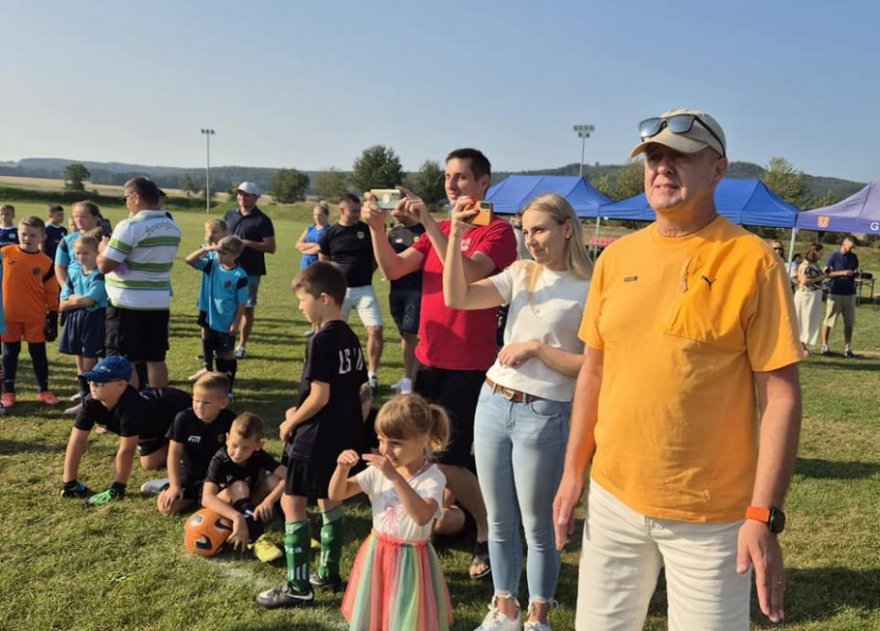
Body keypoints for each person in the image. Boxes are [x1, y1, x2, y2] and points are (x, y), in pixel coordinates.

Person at [553, 109, 803, 630]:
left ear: (718, 169)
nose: (662, 168)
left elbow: (780, 398)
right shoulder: (616, 258)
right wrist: (574, 471)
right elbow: (594, 373)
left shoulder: (753, 261)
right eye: (654, 157)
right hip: (613, 499)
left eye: (680, 156)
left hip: (712, 517)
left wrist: (763, 513)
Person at [362, 148, 517, 580]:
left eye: (461, 177)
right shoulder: (443, 228)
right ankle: (444, 515)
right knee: (422, 451)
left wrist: (430, 222)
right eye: (448, 176)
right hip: (429, 358)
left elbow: (468, 274)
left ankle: (488, 529)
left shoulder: (497, 230)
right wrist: (377, 229)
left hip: (468, 363)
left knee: (449, 460)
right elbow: (395, 269)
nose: (452, 184)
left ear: (483, 182)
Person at [444, 193, 592, 630]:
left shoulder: (591, 286)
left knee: (539, 526)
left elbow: (594, 366)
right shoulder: (522, 272)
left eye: (540, 230)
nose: (531, 241)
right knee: (499, 520)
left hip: (545, 414)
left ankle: (538, 617)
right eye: (526, 231)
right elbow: (457, 297)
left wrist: (537, 349)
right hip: (492, 403)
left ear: (567, 228)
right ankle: (504, 610)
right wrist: (455, 234)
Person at [256, 261, 367, 609]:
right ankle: (328, 573)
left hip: (315, 436)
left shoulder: (321, 340)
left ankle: (298, 586)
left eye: (303, 300)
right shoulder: (350, 337)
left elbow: (320, 396)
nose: (300, 307)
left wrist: (291, 422)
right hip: (342, 434)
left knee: (291, 503)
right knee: (329, 499)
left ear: (324, 298)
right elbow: (360, 391)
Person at [329, 394, 454, 631]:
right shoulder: (379, 471)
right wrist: (341, 469)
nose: (385, 449)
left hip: (411, 562)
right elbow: (337, 494)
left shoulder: (432, 478)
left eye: (396, 443)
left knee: (406, 616)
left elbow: (422, 517)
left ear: (423, 439)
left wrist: (395, 477)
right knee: (376, 614)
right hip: (377, 553)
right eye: (381, 440)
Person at [60, 356, 192, 506]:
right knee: (150, 463)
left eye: (100, 382)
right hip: (154, 430)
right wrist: (69, 482)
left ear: (121, 385)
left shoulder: (132, 407)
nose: (93, 385)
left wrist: (118, 486)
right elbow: (76, 441)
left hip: (181, 413)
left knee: (190, 454)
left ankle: (183, 474)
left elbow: (127, 450)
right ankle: (173, 451)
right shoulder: (90, 402)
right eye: (91, 380)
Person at [97, 177, 181, 388]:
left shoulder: (129, 226)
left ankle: (132, 402)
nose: (126, 202)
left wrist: (102, 250)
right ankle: (158, 400)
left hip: (127, 303)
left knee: (126, 360)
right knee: (156, 358)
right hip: (158, 302)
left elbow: (105, 265)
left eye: (126, 197)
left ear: (135, 197)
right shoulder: (171, 226)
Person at [319, 193, 384, 394]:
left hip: (364, 289)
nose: (358, 214)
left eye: (359, 210)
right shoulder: (330, 233)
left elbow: (377, 256)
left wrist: (366, 272)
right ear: (342, 210)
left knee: (376, 329)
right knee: (332, 333)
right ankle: (332, 371)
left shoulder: (365, 230)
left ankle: (372, 374)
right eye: (354, 211)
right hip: (339, 291)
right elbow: (323, 261)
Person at [146, 372, 236, 515]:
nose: (199, 406)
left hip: (217, 477)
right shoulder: (183, 418)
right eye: (196, 400)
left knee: (230, 499)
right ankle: (170, 483)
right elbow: (174, 453)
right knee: (167, 508)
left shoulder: (231, 421)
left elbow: (236, 454)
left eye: (206, 402)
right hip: (190, 474)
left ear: (223, 403)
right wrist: (175, 486)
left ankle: (204, 497)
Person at [202, 412, 286, 562]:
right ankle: (256, 538)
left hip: (246, 501)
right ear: (227, 438)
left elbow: (290, 476)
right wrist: (237, 517)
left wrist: (269, 501)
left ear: (258, 446)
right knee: (240, 486)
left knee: (274, 480)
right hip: (222, 509)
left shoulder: (259, 455)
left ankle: (293, 524)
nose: (238, 453)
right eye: (234, 445)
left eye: (245, 448)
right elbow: (206, 499)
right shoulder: (220, 460)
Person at [1, 216, 61, 409]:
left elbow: (52, 292)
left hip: (35, 316)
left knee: (38, 353)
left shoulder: (46, 262)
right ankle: (9, 391)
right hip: (8, 316)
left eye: (33, 235)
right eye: (24, 234)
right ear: (18, 233)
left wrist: (53, 317)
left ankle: (44, 390)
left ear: (43, 237)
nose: (27, 238)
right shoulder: (4, 253)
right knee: (10, 353)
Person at [184, 235, 248, 396]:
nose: (220, 256)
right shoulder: (212, 265)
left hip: (225, 320)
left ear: (236, 255)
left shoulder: (239, 275)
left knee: (225, 353)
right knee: (208, 341)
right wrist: (206, 249)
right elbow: (189, 260)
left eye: (225, 253)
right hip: (209, 314)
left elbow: (242, 303)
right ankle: (212, 375)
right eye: (219, 252)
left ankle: (228, 388)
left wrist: (236, 322)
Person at [223, 182, 276, 359]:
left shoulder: (262, 220)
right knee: (225, 306)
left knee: (246, 308)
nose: (242, 197)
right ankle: (223, 343)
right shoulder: (229, 214)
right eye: (240, 194)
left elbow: (271, 247)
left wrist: (247, 243)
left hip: (250, 271)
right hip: (227, 268)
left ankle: (241, 346)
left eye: (246, 194)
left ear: (256, 197)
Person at [58, 229, 107, 412]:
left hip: (94, 320)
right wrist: (75, 300)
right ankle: (84, 395)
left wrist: (73, 299)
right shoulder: (74, 273)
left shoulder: (99, 275)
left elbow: (89, 301)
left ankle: (91, 400)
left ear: (97, 253)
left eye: (86, 253)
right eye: (78, 253)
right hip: (76, 318)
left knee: (90, 359)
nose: (81, 257)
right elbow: (62, 304)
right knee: (79, 357)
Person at [385, 203, 426, 394]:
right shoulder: (393, 233)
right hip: (396, 290)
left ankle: (410, 381)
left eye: (396, 209)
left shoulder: (424, 231)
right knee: (404, 335)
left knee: (411, 335)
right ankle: (408, 375)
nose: (393, 213)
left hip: (417, 290)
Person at [188, 218, 228, 380]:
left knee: (222, 340)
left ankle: (223, 373)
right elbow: (191, 261)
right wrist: (206, 249)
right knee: (205, 331)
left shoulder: (231, 251)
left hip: (224, 305)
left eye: (215, 232)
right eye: (207, 232)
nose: (210, 235)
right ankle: (207, 367)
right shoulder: (205, 250)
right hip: (206, 302)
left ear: (225, 233)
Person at [821, 235, 860, 357]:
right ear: (844, 243)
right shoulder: (834, 256)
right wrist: (843, 272)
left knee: (849, 322)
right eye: (851, 247)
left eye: (854, 247)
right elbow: (827, 274)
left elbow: (855, 270)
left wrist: (856, 273)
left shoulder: (854, 257)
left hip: (850, 293)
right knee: (829, 320)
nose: (852, 249)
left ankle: (847, 348)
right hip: (835, 292)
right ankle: (824, 345)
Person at [55, 200, 102, 290]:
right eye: (76, 217)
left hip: (98, 287)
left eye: (84, 217)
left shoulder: (105, 239)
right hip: (73, 288)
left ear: (96, 217)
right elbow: (59, 267)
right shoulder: (67, 240)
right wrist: (66, 289)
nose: (78, 220)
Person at [794, 243, 826, 352]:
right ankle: (799, 344)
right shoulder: (806, 265)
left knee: (809, 320)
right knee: (803, 319)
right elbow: (804, 281)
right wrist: (821, 277)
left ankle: (802, 344)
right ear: (815, 251)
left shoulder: (814, 264)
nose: (822, 254)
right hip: (806, 296)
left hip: (813, 295)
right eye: (820, 252)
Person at [296, 202, 331, 270]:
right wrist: (314, 244)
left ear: (327, 215)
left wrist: (305, 251)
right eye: (315, 215)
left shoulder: (329, 231)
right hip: (305, 264)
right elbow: (298, 245)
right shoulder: (310, 228)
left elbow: (321, 249)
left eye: (320, 215)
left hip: (319, 265)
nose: (317, 217)